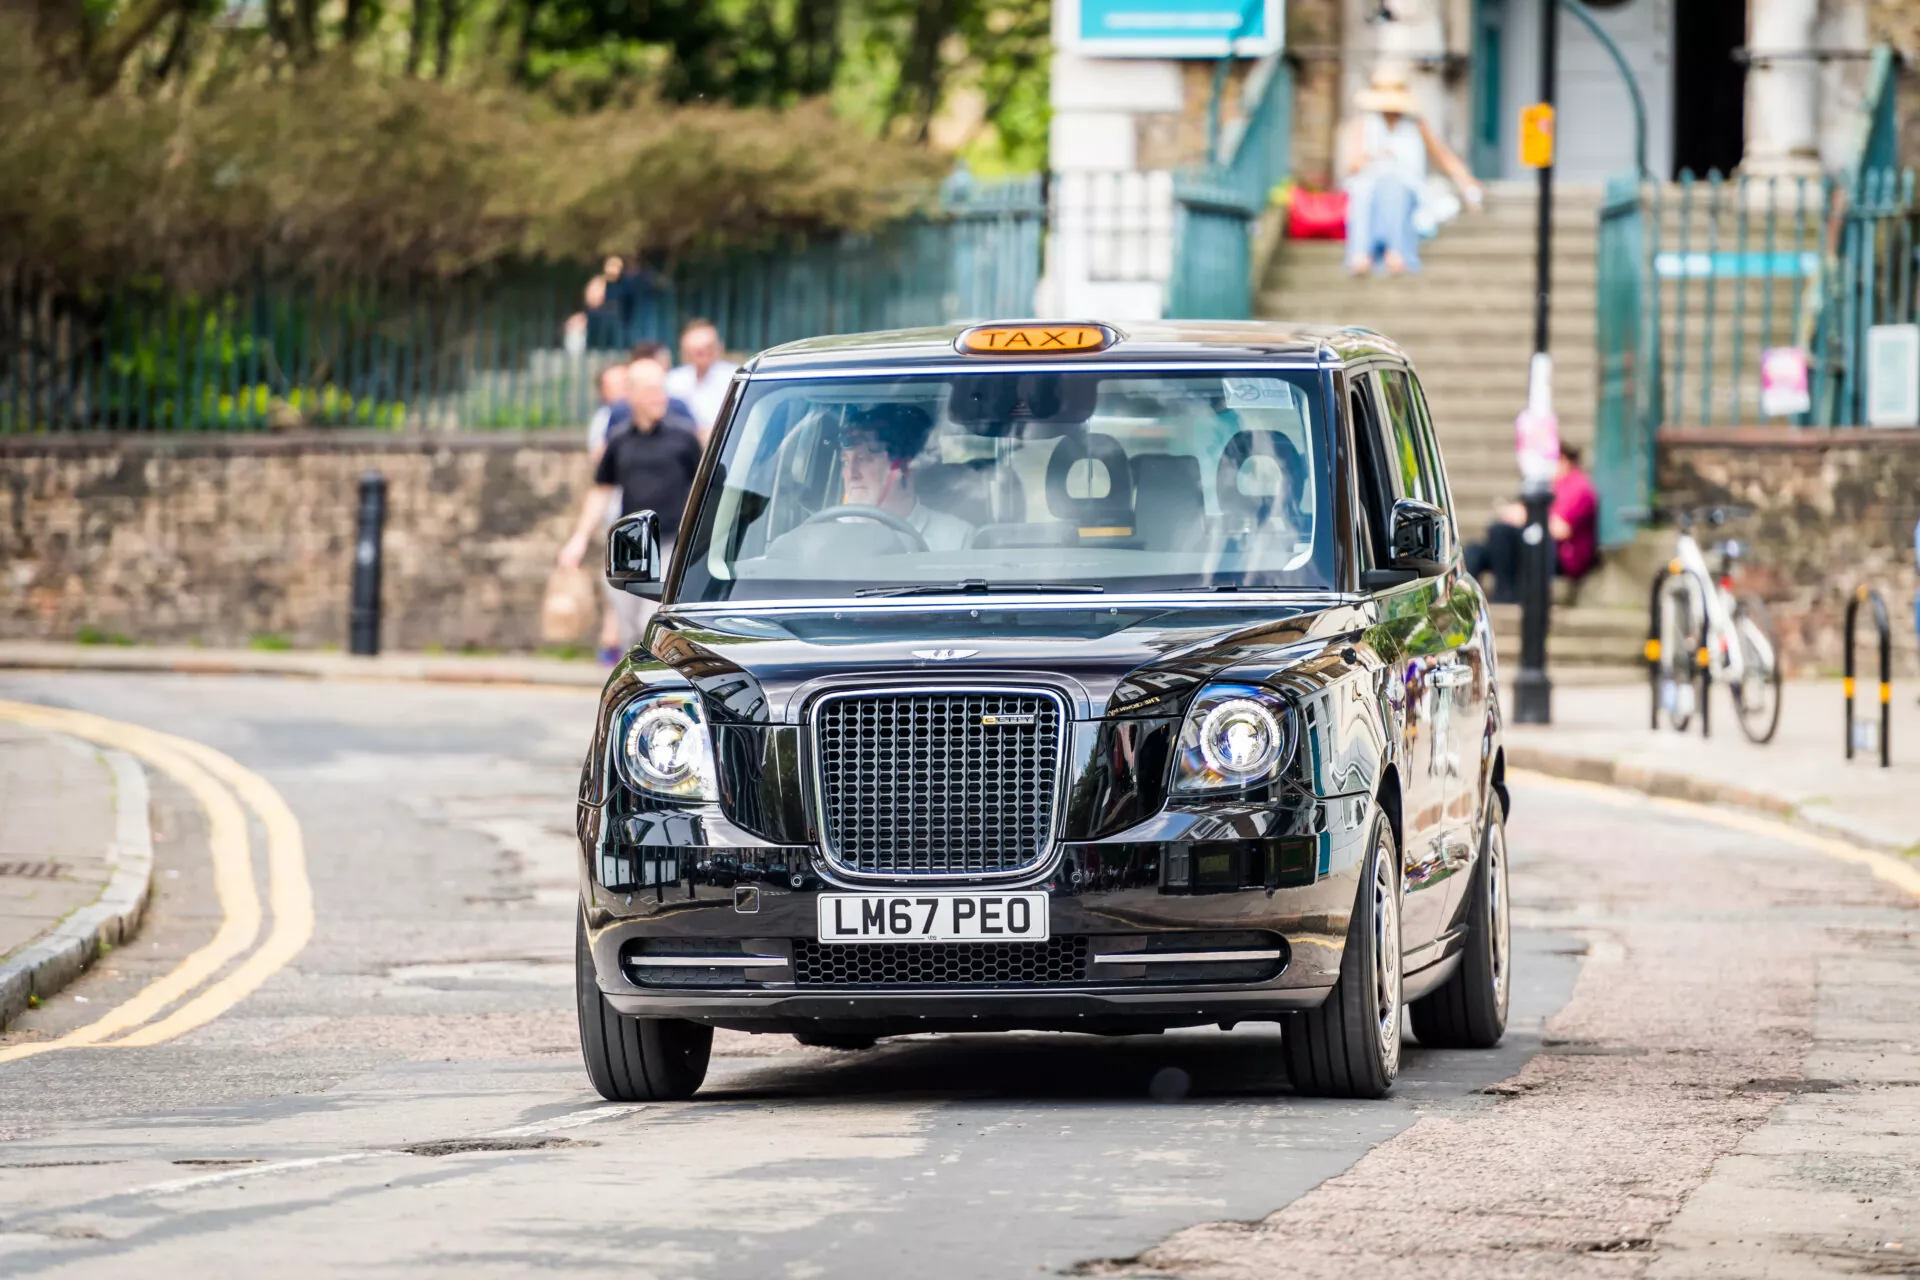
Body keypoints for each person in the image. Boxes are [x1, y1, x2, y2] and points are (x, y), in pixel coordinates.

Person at [560, 360, 705, 653]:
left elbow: (705, 490)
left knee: (648, 622)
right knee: (627, 626)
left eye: (661, 389)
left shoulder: (684, 437)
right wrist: (578, 540)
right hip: (630, 546)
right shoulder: (619, 439)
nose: (660, 397)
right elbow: (601, 491)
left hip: (670, 543)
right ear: (633, 394)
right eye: (652, 390)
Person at [1342, 67, 1485, 277]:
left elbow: (1443, 156)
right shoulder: (1364, 123)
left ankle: (1396, 251)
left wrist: (1466, 180)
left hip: (1406, 187)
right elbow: (1352, 165)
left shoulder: (1416, 124)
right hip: (1371, 186)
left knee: (1396, 189)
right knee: (1365, 191)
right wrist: (1375, 156)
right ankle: (1362, 254)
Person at [1466, 442, 1598, 604]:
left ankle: (1506, 596)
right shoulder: (1548, 483)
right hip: (1534, 541)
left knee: (1501, 533)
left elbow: (1561, 529)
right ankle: (1466, 600)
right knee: (1476, 549)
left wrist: (1525, 516)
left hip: (1558, 553)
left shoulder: (1579, 487)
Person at [832, 404, 973, 552]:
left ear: (905, 466)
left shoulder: (956, 541)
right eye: (845, 461)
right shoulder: (829, 536)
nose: (851, 474)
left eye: (863, 459)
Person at [666, 319, 738, 443]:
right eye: (696, 350)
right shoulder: (673, 380)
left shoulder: (734, 377)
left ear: (719, 347)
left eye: (707, 348)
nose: (702, 354)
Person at [629, 340, 697, 425]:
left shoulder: (678, 409)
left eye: (660, 390)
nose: (659, 398)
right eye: (650, 391)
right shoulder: (620, 414)